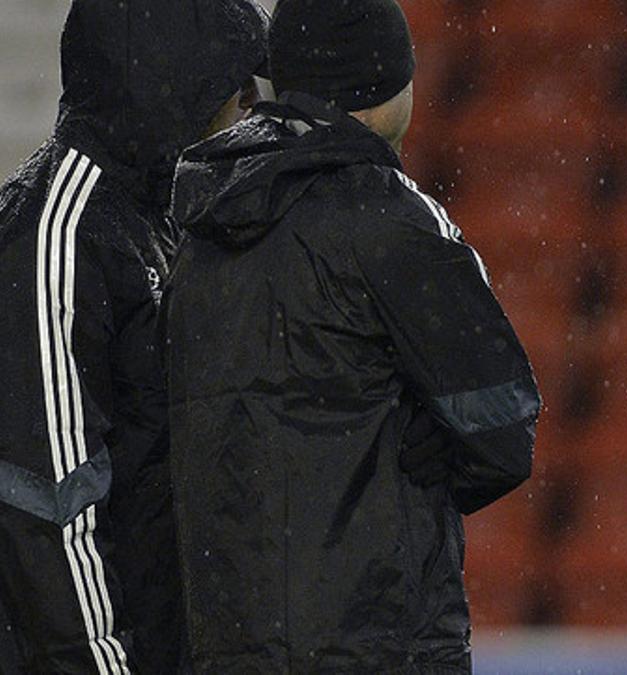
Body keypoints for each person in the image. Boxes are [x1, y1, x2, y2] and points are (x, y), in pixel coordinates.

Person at [163, 0, 541, 671]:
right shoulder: (392, 219)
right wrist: (411, 448)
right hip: (377, 642)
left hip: (226, 644)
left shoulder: (196, 227)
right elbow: (503, 429)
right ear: (384, 83)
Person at [0, 0, 267, 672]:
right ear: (175, 84)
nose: (248, 105)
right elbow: (47, 503)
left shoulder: (158, 218)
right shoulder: (55, 239)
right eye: (234, 84)